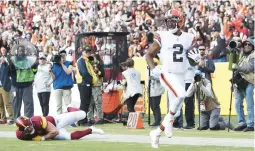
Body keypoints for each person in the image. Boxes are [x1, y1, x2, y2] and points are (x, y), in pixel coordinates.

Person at [145, 9, 200, 148]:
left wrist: (196, 59)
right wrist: (154, 69)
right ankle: (167, 123)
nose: (170, 24)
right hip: (167, 73)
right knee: (182, 94)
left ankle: (157, 132)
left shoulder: (189, 37)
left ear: (180, 21)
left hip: (181, 75)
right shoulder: (162, 35)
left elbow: (194, 60)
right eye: (168, 21)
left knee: (174, 110)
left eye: (173, 21)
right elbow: (149, 54)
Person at [15, 110, 104, 141]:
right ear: (21, 131)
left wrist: (43, 138)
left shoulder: (37, 121)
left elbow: (55, 131)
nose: (30, 128)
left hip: (57, 122)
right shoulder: (20, 135)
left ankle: (70, 108)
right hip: (51, 132)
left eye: (30, 125)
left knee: (83, 114)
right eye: (27, 129)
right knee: (69, 137)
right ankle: (91, 130)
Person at [232, 38, 254, 132]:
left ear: (252, 46)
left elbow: (250, 67)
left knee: (249, 104)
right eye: (245, 44)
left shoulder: (253, 55)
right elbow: (232, 67)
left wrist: (238, 67)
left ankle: (251, 124)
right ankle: (242, 123)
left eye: (249, 44)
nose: (247, 46)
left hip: (249, 82)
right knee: (238, 104)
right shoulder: (240, 54)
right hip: (239, 82)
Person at [76, 47, 98, 125]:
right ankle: (82, 121)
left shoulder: (86, 60)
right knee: (84, 103)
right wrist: (91, 79)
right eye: (86, 51)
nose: (88, 53)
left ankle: (82, 120)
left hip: (86, 83)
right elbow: (84, 72)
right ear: (82, 52)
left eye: (89, 51)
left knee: (86, 103)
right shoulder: (81, 60)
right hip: (84, 83)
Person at [0, 53, 14, 124]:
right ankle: (3, 118)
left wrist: (5, 62)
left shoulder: (5, 65)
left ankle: (11, 118)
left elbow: (9, 69)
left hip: (4, 87)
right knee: (0, 104)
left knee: (7, 103)